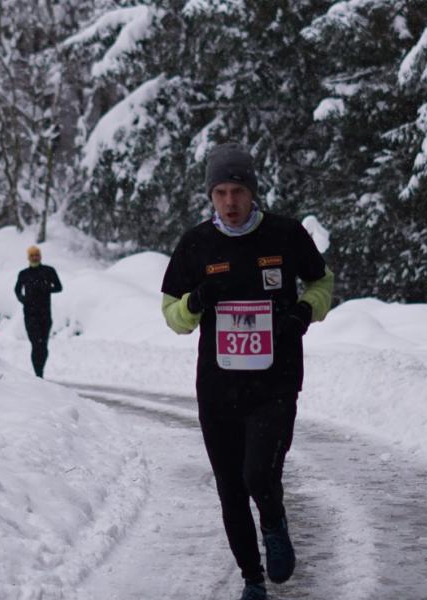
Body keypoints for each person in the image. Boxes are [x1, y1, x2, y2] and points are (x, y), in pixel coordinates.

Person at [160, 142, 334, 600]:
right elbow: (172, 315)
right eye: (220, 192)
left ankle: (274, 522)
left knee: (258, 474)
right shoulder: (196, 244)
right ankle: (252, 579)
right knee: (231, 489)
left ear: (252, 191)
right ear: (210, 196)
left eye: (237, 191)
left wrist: (304, 312)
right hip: (217, 388)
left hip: (275, 382)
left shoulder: (285, 235)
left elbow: (322, 281)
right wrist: (195, 302)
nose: (230, 202)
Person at [14, 245, 62, 378]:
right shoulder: (24, 274)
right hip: (30, 315)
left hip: (45, 314)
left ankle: (40, 371)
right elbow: (17, 290)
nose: (35, 258)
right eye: (32, 256)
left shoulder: (48, 271)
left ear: (40, 257)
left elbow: (59, 287)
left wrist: (46, 288)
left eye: (37, 255)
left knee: (43, 345)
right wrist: (23, 299)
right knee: (36, 344)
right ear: (28, 258)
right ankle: (38, 374)